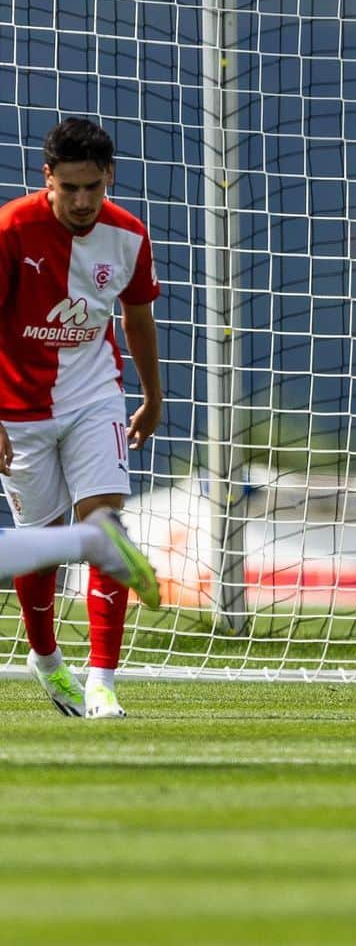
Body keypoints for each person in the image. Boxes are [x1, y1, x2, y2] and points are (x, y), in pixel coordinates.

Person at [0, 118, 163, 720]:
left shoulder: (129, 235)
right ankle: (45, 660)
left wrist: (153, 393)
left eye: (92, 187)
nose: (82, 201)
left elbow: (137, 318)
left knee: (106, 525)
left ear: (109, 178)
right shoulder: (11, 228)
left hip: (96, 395)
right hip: (17, 410)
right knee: (40, 551)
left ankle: (103, 682)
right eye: (69, 188)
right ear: (47, 178)